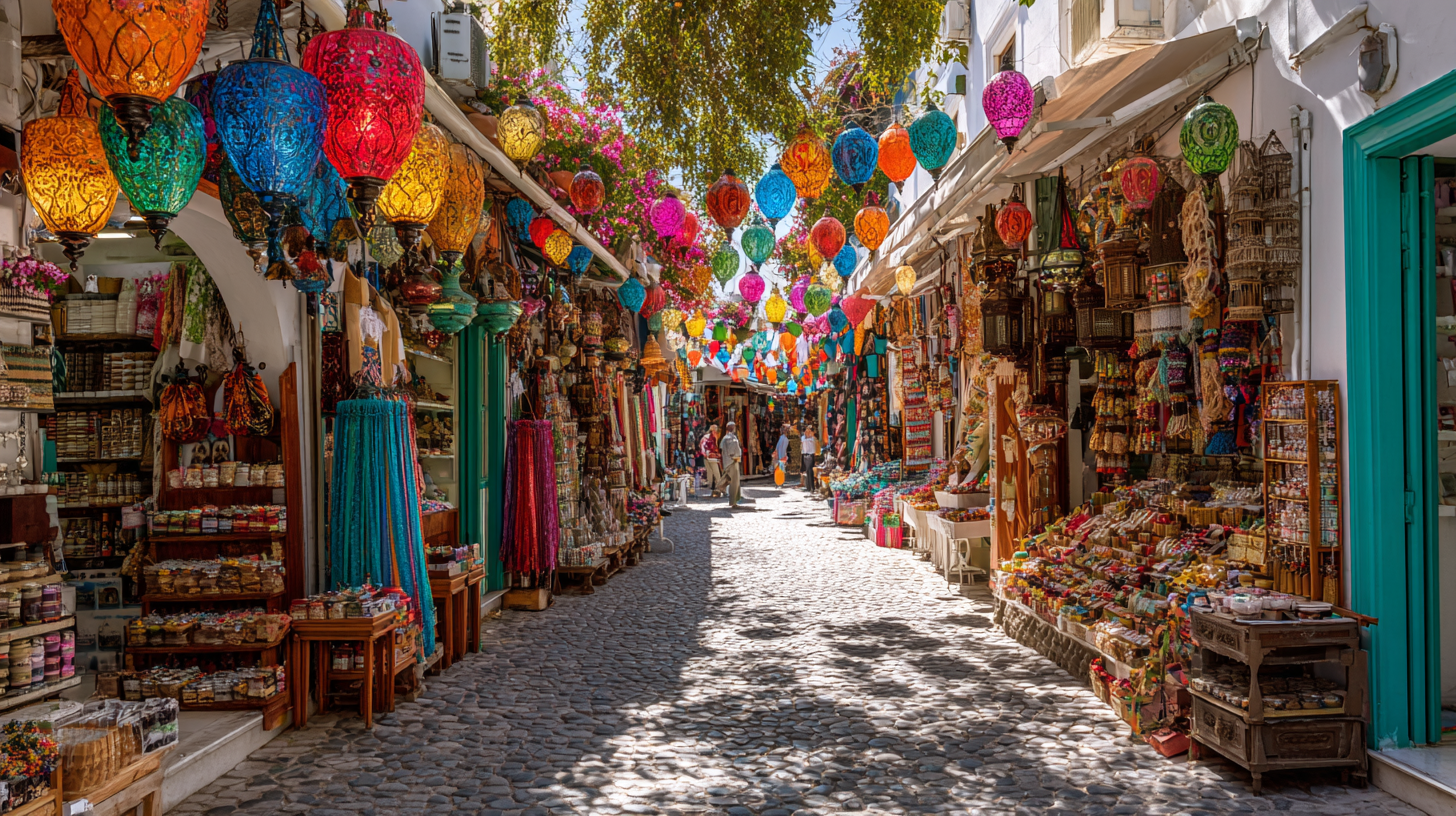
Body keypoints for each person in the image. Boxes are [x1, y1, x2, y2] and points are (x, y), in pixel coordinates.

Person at [720, 421, 746, 508]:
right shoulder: (729, 438)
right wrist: (735, 456)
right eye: (733, 426)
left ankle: (734, 499)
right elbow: (731, 451)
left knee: (733, 481)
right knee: (733, 482)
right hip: (732, 461)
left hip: (731, 461)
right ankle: (733, 501)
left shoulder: (727, 437)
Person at [699, 424, 724, 497]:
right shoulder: (711, 437)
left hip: (708, 457)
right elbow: (704, 446)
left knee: (710, 472)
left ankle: (711, 487)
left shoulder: (707, 437)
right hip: (711, 457)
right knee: (716, 473)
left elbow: (702, 446)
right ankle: (718, 487)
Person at [800, 425, 818, 490]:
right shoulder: (803, 438)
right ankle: (809, 486)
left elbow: (812, 440)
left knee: (810, 470)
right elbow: (804, 440)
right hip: (805, 455)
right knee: (808, 470)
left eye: (809, 431)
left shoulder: (813, 438)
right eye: (807, 431)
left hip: (811, 455)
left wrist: (810, 436)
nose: (808, 432)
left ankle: (812, 487)